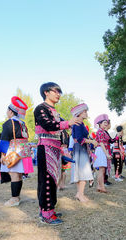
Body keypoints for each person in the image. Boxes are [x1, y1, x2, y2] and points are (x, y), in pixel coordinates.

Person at [34, 82, 82, 225]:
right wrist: (68, 123)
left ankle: (50, 209)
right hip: (45, 147)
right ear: (46, 92)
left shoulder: (54, 111)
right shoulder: (40, 108)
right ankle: (46, 214)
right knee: (47, 180)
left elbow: (61, 132)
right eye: (55, 91)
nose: (58, 94)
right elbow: (48, 125)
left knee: (53, 180)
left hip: (54, 149)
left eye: (59, 91)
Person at [0, 96, 34, 207]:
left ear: (11, 111)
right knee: (18, 175)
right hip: (22, 151)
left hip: (12, 150)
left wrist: (2, 155)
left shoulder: (9, 123)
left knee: (14, 175)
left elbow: (4, 140)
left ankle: (14, 198)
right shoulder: (22, 124)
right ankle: (17, 196)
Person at [70, 103, 97, 202]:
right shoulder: (78, 124)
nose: (86, 113)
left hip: (80, 149)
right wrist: (91, 141)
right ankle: (80, 194)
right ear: (79, 113)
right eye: (85, 111)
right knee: (83, 172)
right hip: (80, 149)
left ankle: (79, 193)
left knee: (81, 173)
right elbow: (79, 138)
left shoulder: (79, 123)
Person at [93, 114, 112, 193]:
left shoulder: (103, 131)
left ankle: (99, 186)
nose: (106, 123)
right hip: (101, 150)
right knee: (102, 170)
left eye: (106, 122)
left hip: (102, 150)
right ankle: (102, 187)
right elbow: (101, 143)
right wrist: (106, 154)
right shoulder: (100, 131)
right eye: (104, 122)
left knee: (102, 170)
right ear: (100, 124)